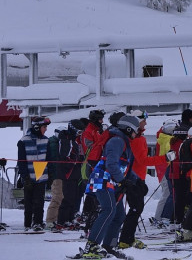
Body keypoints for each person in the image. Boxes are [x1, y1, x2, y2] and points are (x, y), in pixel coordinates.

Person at [82, 115, 141, 259]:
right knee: (109, 210)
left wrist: (138, 181)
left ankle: (109, 245)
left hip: (112, 182)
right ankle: (92, 245)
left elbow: (124, 166)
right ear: (128, 129)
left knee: (119, 215)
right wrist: (122, 180)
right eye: (135, 130)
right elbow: (111, 164)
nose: (136, 133)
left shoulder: (123, 142)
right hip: (102, 179)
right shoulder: (116, 141)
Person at [118, 110, 174, 250]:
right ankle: (125, 239)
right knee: (135, 209)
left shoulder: (139, 138)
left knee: (136, 209)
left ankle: (127, 238)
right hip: (133, 178)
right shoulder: (137, 140)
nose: (146, 123)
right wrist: (164, 158)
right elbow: (142, 160)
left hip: (137, 178)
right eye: (143, 121)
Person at [17, 115, 51, 231]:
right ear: (37, 127)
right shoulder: (23, 141)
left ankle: (38, 222)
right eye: (44, 127)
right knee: (29, 202)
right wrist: (25, 177)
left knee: (39, 201)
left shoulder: (46, 140)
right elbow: (21, 161)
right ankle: (27, 224)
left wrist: (49, 176)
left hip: (41, 175)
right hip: (28, 176)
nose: (45, 129)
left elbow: (48, 159)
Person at [56, 119, 86, 230]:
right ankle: (61, 221)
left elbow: (75, 154)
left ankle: (68, 219)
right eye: (78, 132)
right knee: (68, 198)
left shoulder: (74, 141)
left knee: (74, 197)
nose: (79, 135)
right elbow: (64, 157)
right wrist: (74, 161)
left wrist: (80, 159)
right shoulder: (65, 140)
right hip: (68, 173)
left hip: (75, 173)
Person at [46, 125, 63, 229]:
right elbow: (54, 161)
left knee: (59, 197)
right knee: (57, 196)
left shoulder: (57, 143)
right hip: (56, 175)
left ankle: (54, 219)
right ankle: (50, 220)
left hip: (59, 174)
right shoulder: (53, 144)